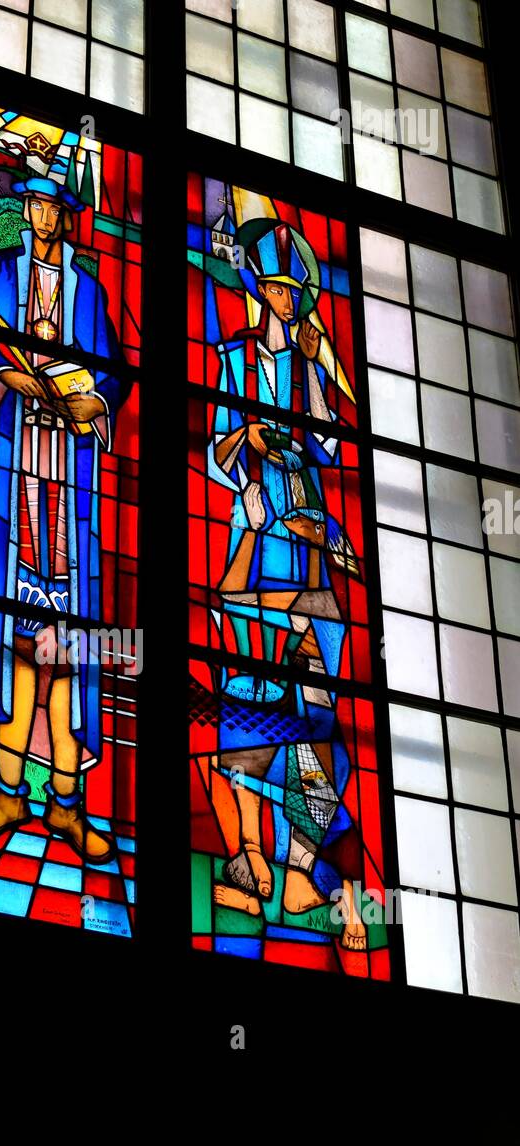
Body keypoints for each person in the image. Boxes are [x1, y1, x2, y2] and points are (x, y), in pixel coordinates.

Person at [202, 220, 365, 948]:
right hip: (251, 538)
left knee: (318, 713)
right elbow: (214, 453)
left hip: (303, 551)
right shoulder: (230, 358)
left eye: (293, 293)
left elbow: (330, 442)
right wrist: (249, 440)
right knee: (248, 704)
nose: (283, 301)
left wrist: (316, 384)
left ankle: (300, 862)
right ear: (255, 289)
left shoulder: (303, 367)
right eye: (272, 288)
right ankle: (246, 861)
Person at [0, 177, 128, 864]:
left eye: (53, 204)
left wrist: (96, 402)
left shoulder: (89, 292)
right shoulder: (5, 275)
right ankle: (7, 790)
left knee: (69, 648)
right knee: (18, 643)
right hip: (17, 467)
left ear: (68, 216)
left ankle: (64, 802)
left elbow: (111, 372)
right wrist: (18, 378)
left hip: (72, 483)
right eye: (32, 203)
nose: (41, 214)